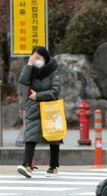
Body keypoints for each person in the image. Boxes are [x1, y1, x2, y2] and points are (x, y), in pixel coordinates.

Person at [17, 46, 61, 178]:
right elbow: (23, 80)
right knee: (30, 136)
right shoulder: (31, 70)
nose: (36, 60)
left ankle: (53, 166)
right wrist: (29, 64)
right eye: (34, 57)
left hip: (50, 107)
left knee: (53, 136)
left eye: (39, 57)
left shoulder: (54, 71)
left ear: (45, 58)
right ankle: (27, 165)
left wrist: (38, 96)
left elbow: (55, 91)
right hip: (33, 108)